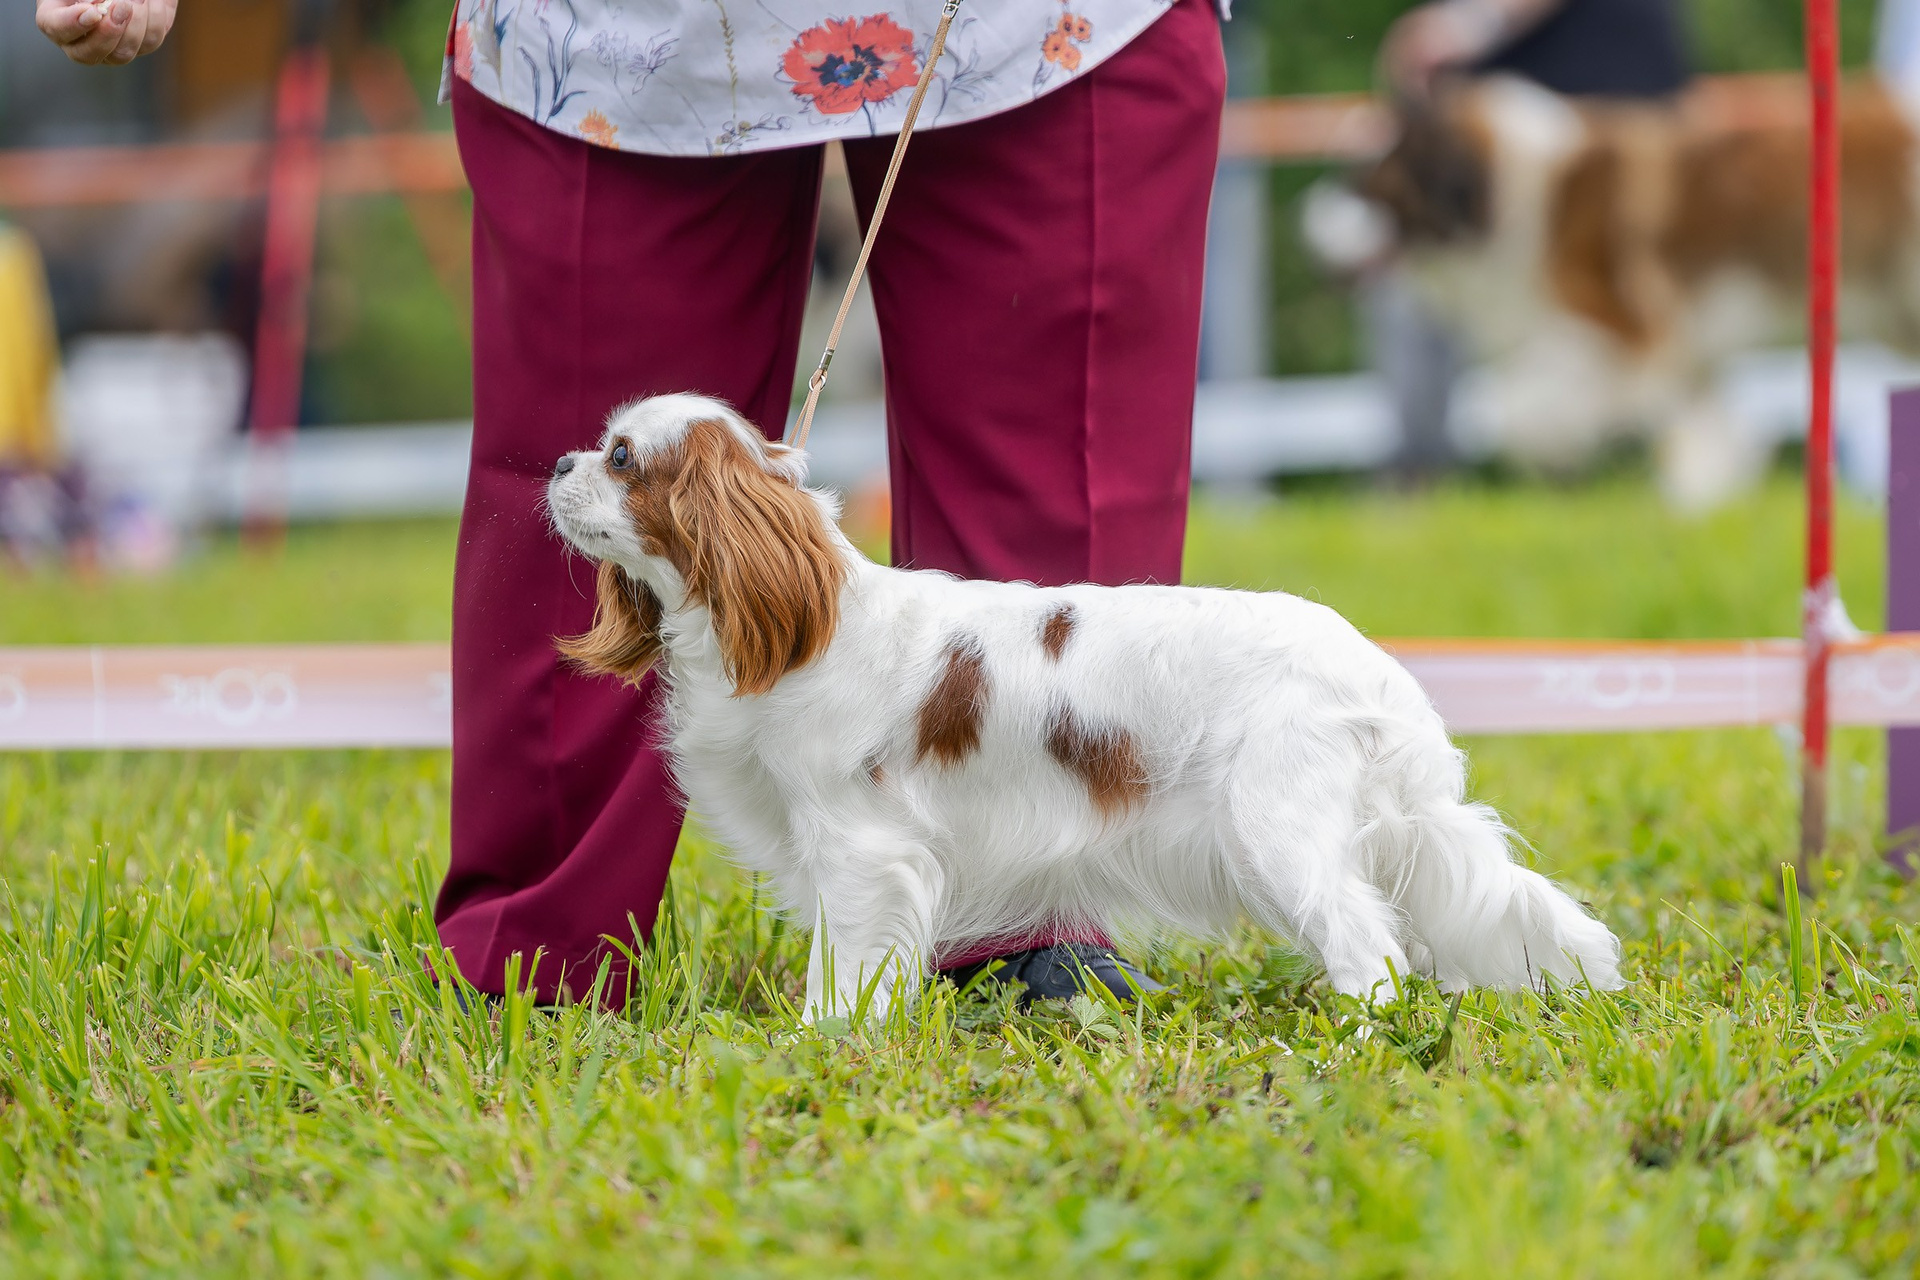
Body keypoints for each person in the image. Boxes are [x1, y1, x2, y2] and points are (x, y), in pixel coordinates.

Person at [36, 0, 1225, 1005]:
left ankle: (1037, 924)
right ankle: (539, 949)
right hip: (622, 41)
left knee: (1052, 487)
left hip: (1035, 28)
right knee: (585, 502)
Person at [1362, 0, 1690, 479]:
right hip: (1532, 108)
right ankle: (1425, 470)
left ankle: (1424, 473)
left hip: (1588, 102)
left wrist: (1466, 25)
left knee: (1615, 304)